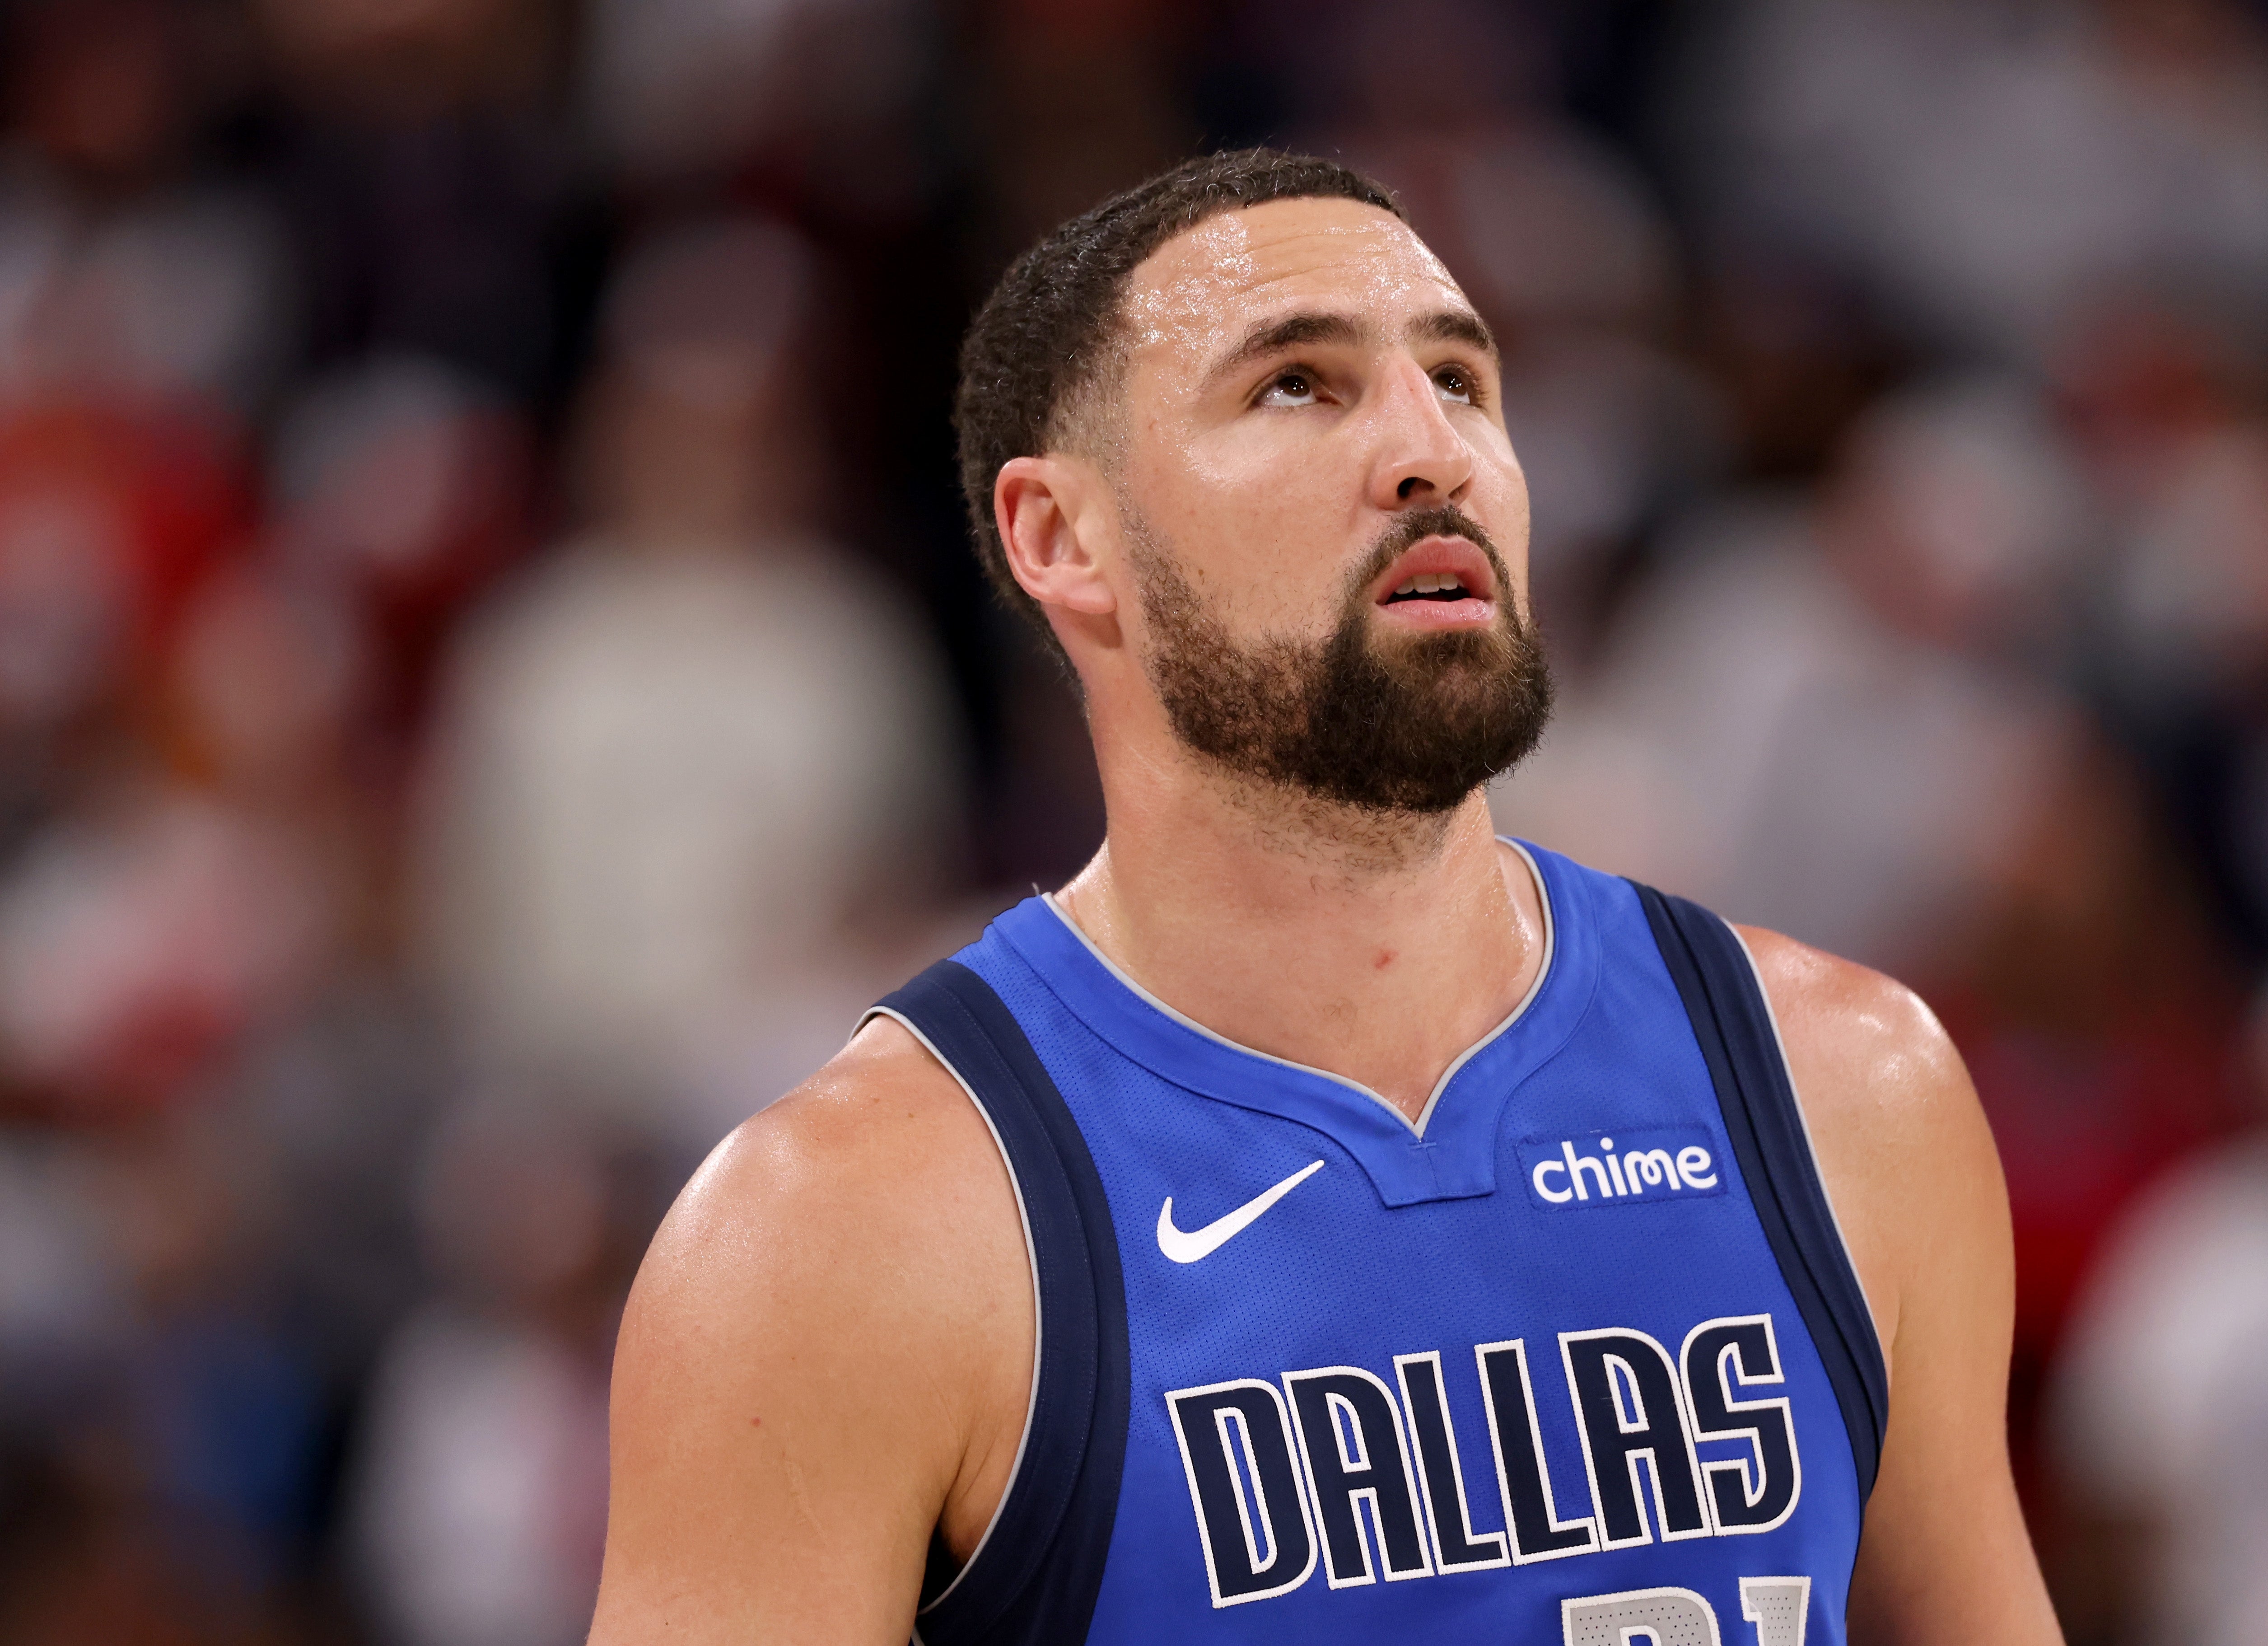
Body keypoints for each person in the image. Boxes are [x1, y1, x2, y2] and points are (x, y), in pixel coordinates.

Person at [586, 151, 2061, 1646]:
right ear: (1063, 538)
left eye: (1465, 381)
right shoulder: (839, 1231)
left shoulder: (1846, 1088)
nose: (1435, 453)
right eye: (1298, 384)